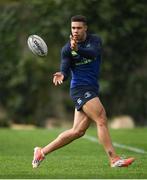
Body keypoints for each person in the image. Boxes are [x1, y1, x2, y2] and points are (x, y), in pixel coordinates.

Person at [32, 15, 135, 168]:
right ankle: (114, 159)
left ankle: (41, 152)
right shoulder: (67, 49)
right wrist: (62, 74)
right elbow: (65, 68)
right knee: (101, 119)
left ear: (85, 28)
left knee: (77, 132)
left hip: (91, 88)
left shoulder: (95, 40)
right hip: (80, 89)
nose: (75, 31)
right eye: (73, 28)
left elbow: (93, 53)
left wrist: (78, 49)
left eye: (79, 28)